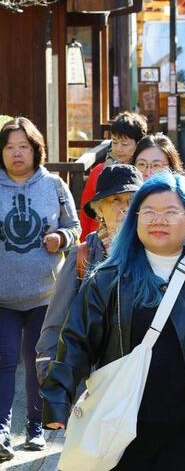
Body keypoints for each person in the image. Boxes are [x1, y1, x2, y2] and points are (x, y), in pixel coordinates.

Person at [41, 172, 185, 470]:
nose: (158, 220)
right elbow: (76, 341)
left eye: (171, 212)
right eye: (148, 212)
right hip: (124, 429)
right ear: (135, 221)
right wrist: (58, 399)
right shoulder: (109, 280)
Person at [0, 117, 80, 460]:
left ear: (36, 150)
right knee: (3, 359)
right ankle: (2, 431)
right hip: (2, 296)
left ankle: (34, 427)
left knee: (38, 360)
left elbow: (74, 227)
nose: (17, 154)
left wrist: (60, 238)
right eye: (9, 147)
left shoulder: (55, 186)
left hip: (45, 294)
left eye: (24, 147)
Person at [36, 164, 143, 385]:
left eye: (132, 199)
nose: (125, 208)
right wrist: (50, 376)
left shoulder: (154, 250)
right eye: (116, 200)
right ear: (99, 209)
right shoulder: (83, 255)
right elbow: (56, 322)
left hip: (143, 376)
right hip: (93, 380)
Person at [79, 111, 148, 239]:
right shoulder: (98, 171)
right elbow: (85, 214)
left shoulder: (146, 173)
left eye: (125, 144)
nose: (118, 149)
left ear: (138, 144)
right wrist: (85, 242)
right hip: (98, 240)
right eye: (115, 142)